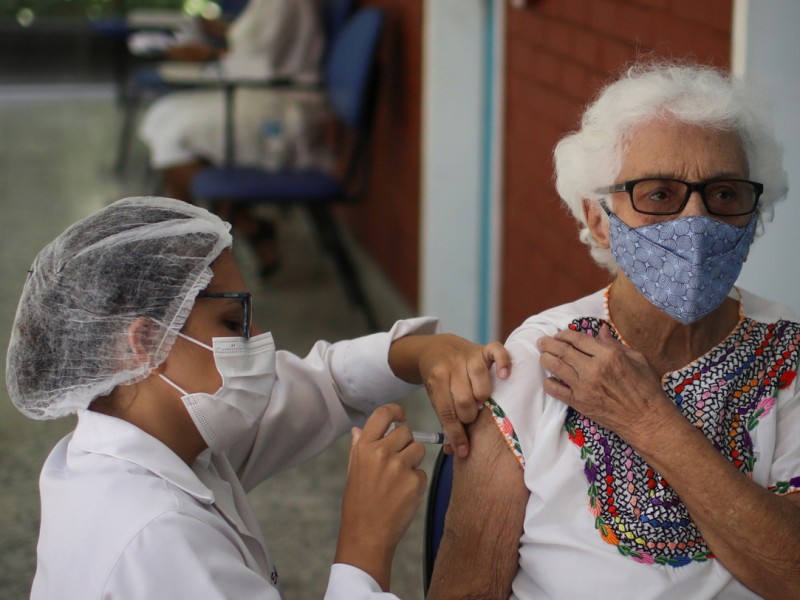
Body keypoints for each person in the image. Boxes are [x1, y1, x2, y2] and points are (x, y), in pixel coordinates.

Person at [5, 196, 511, 599]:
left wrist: (416, 353)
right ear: (143, 343)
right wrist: (364, 542)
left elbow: (323, 386)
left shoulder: (170, 440)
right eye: (232, 322)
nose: (259, 338)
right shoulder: (155, 537)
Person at [427, 60, 800, 600]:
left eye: (724, 194)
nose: (696, 222)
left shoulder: (790, 350)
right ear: (598, 216)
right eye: (659, 194)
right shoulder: (535, 357)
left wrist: (650, 422)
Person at [138, 0, 325, 275]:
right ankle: (246, 225)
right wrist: (223, 34)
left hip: (278, 109)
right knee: (162, 115)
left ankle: (193, 255)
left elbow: (264, 62)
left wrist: (212, 56)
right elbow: (260, 45)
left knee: (175, 135)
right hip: (257, 92)